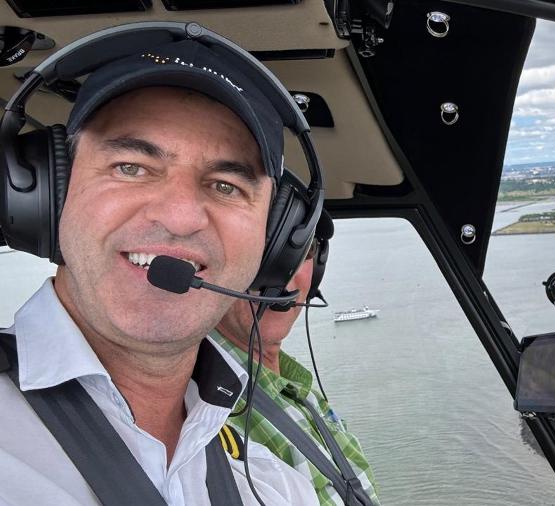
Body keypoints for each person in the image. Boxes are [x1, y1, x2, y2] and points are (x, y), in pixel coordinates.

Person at [0, 28, 322, 505]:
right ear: (49, 195)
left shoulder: (277, 489)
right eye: (130, 167)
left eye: (226, 186)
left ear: (275, 241)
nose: (179, 217)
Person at [213, 217, 380, 505]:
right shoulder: (209, 414)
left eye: (303, 250)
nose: (284, 283)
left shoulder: (296, 389)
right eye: (262, 252)